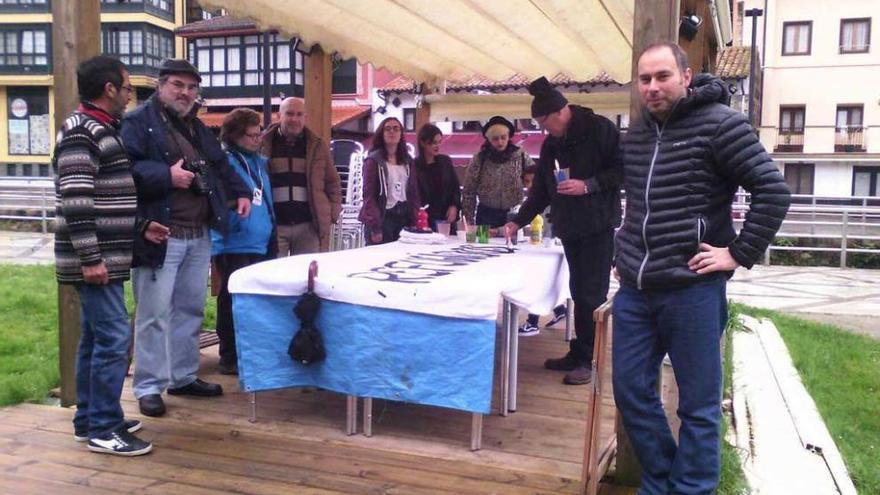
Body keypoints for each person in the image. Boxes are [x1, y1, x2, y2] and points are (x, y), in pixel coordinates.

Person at [613, 42, 790, 494]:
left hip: (692, 288)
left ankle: (691, 489)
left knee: (698, 403)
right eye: (645, 79)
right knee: (631, 390)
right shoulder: (636, 135)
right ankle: (662, 480)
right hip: (636, 289)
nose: (652, 87)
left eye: (662, 76)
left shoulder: (721, 126)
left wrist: (736, 253)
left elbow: (773, 191)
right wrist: (624, 252)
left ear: (686, 76)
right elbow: (638, 207)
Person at [121, 59, 252, 418]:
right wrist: (166, 175)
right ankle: (148, 386)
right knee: (153, 314)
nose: (186, 93)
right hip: (159, 234)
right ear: (161, 86)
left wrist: (240, 191)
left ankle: (182, 376)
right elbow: (122, 170)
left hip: (198, 234)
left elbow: (221, 165)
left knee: (191, 310)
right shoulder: (136, 123)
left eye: (192, 87)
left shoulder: (195, 127)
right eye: (178, 85)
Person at [54, 55, 169, 456]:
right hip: (95, 259)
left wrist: (140, 228)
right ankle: (105, 427)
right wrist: (90, 258)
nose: (129, 95)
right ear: (109, 89)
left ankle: (90, 419)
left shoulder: (101, 129)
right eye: (127, 87)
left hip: (107, 255)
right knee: (116, 338)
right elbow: (76, 199)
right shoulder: (81, 132)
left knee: (96, 337)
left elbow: (105, 199)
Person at [505, 77, 622, 385]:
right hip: (570, 227)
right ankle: (578, 351)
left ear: (560, 112)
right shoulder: (552, 144)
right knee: (576, 291)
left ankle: (590, 360)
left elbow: (622, 170)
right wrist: (519, 219)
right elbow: (542, 190)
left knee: (592, 295)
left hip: (598, 225)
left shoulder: (601, 130)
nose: (545, 130)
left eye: (545, 123)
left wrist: (588, 185)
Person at [211, 108, 276, 376]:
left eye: (259, 132)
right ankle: (229, 355)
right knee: (232, 298)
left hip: (262, 239)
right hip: (235, 242)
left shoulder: (259, 163)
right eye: (251, 135)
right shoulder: (225, 163)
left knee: (258, 300)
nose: (257, 138)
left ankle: (253, 351)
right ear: (235, 136)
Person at [261, 97, 341, 255]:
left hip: (308, 226)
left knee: (306, 276)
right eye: (289, 114)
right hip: (275, 226)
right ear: (279, 116)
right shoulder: (264, 144)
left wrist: (332, 212)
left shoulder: (317, 145)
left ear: (305, 118)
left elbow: (332, 182)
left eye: (299, 114)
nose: (294, 119)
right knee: (275, 275)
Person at [518, 163, 566, 336]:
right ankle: (560, 309)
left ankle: (532, 322)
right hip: (543, 247)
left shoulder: (549, 201)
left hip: (550, 246)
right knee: (544, 279)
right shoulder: (532, 202)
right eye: (526, 181)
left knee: (537, 280)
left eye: (533, 181)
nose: (529, 186)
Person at [462, 116, 534, 229]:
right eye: (495, 139)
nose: (500, 142)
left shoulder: (521, 156)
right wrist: (468, 223)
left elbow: (536, 180)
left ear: (509, 136)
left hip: (514, 214)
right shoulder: (479, 158)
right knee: (483, 246)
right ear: (489, 140)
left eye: (503, 137)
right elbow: (468, 192)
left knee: (514, 246)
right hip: (486, 215)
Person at [358, 116, 421, 245]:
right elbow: (368, 196)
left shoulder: (408, 161)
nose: (392, 132)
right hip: (382, 218)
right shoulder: (373, 161)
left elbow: (413, 193)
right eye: (388, 129)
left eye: (396, 129)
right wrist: (375, 227)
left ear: (401, 134)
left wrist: (415, 220)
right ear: (382, 133)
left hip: (403, 218)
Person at [414, 123, 460, 233]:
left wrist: (454, 206)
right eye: (434, 143)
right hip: (425, 219)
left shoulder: (445, 161)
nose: (438, 146)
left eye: (439, 142)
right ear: (423, 143)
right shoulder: (414, 166)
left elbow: (455, 187)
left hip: (446, 218)